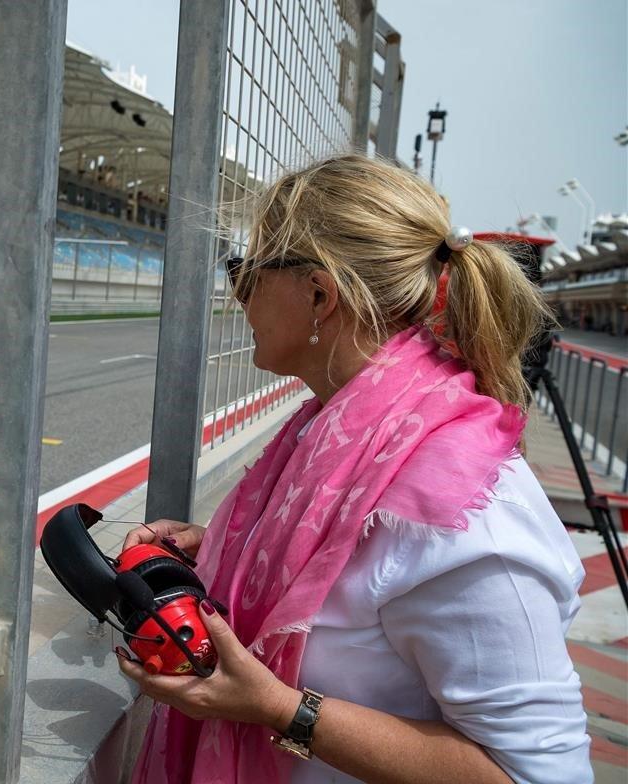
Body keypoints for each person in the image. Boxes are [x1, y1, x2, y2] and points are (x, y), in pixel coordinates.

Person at [117, 154, 591, 784]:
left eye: (245, 272)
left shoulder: (461, 511)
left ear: (318, 292)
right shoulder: (338, 434)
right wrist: (231, 550)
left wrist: (279, 708)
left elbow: (538, 774)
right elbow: (355, 574)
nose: (236, 295)